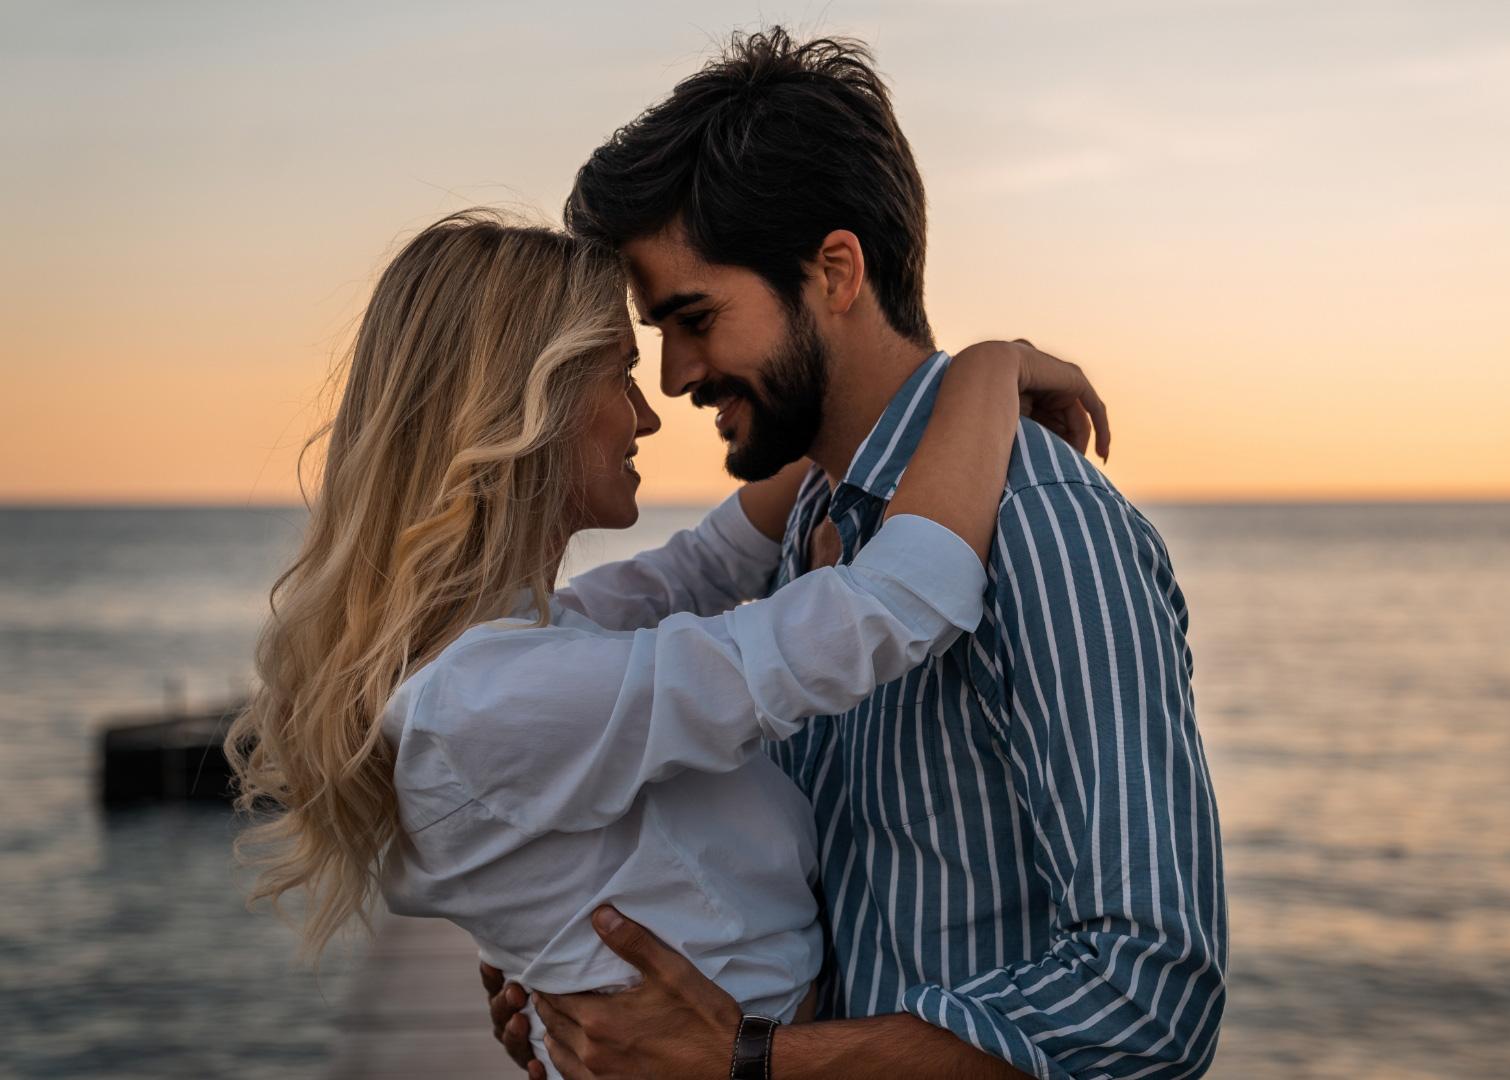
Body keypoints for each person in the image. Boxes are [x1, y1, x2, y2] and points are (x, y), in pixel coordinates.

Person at [490, 28, 1227, 1080]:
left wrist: (751, 1062)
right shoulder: (809, 523)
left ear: (836, 271)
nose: (677, 372)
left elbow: (1150, 996)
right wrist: (595, 1001)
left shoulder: (1047, 526)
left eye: (695, 317)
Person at [223, 210, 1108, 1080]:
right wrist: (990, 371)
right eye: (621, 374)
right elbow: (898, 603)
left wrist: (867, 415)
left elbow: (705, 563)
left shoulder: (504, 654)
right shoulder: (497, 699)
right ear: (531, 402)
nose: (649, 416)